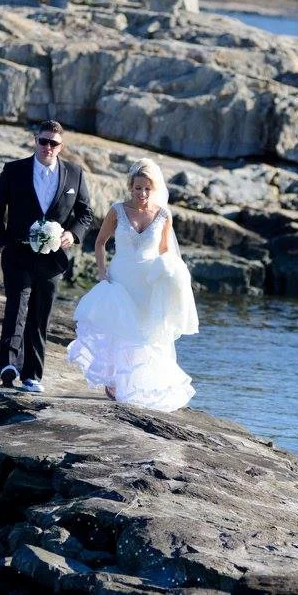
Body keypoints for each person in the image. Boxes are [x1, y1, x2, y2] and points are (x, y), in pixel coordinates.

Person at [67, 158, 197, 412]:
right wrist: (102, 272)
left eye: (147, 188)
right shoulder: (117, 210)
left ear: (154, 188)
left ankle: (138, 384)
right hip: (121, 278)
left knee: (145, 334)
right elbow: (100, 242)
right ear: (131, 187)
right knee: (119, 330)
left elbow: (164, 252)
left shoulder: (163, 214)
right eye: (138, 188)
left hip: (148, 283)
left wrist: (170, 275)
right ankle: (115, 381)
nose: (142, 193)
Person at [0, 121, 94, 392]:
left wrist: (72, 234)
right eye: (43, 141)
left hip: (53, 257)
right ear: (35, 140)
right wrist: (1, 244)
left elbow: (85, 213)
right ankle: (9, 366)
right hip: (17, 252)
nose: (48, 147)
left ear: (61, 146)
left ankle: (33, 375)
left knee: (40, 314)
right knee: (17, 306)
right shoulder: (14, 170)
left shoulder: (75, 174)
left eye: (53, 143)